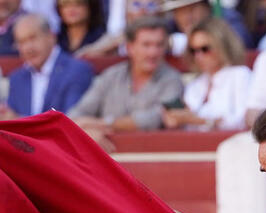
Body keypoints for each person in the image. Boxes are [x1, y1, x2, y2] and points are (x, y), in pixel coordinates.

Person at [68, 15, 184, 146]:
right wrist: (86, 132)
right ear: (130, 48)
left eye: (159, 45)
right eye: (146, 45)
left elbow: (158, 118)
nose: (153, 52)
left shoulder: (172, 79)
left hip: (150, 154)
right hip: (109, 156)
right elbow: (77, 114)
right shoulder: (111, 76)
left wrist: (104, 124)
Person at [164, 16, 251, 130]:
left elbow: (243, 121)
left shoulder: (240, 75)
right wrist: (175, 119)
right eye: (193, 50)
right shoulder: (195, 84)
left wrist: (197, 120)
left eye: (205, 49)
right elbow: (187, 126)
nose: (198, 56)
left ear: (222, 46)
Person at [4, 13, 94, 115]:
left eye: (32, 38)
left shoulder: (77, 70)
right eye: (22, 42)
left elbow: (71, 120)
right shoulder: (16, 78)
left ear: (51, 36)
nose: (28, 48)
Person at [161, 0, 254, 54]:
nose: (187, 17)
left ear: (207, 7)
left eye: (191, 10)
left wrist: (184, 42)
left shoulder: (227, 18)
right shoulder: (171, 25)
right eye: (180, 12)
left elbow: (238, 44)